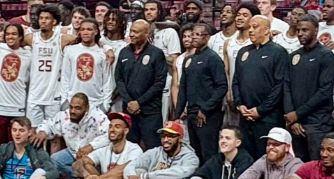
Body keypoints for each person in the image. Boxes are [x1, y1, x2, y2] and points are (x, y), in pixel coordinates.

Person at [232, 15, 290, 157]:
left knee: (268, 157)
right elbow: (236, 81)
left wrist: (261, 110)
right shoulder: (243, 52)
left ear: (266, 30)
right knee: (247, 157)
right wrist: (240, 105)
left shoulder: (278, 52)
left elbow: (279, 85)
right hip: (245, 117)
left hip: (268, 117)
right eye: (250, 27)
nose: (250, 30)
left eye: (255, 27)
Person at [283, 16, 334, 162]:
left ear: (316, 30)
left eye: (305, 30)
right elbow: (286, 86)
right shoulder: (294, 56)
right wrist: (291, 118)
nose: (300, 33)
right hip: (296, 123)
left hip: (317, 123)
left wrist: (297, 114)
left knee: (318, 164)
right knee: (300, 166)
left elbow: (325, 91)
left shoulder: (325, 55)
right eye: (298, 30)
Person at [175, 22, 228, 162]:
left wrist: (205, 109)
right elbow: (183, 89)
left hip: (208, 114)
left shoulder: (213, 58)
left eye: (198, 35)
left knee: (208, 150)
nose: (194, 38)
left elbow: (222, 86)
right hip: (191, 112)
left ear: (207, 37)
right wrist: (176, 114)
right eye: (193, 34)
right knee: (195, 150)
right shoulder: (188, 60)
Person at [115, 20, 168, 149]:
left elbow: (159, 82)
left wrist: (139, 102)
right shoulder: (124, 52)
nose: (131, 34)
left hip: (150, 111)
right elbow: (119, 79)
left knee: (153, 148)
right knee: (129, 148)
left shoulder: (156, 53)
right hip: (128, 110)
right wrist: (129, 102)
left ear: (146, 33)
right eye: (131, 31)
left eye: (136, 32)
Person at [36, 93, 108, 179]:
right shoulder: (65, 116)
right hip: (73, 152)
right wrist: (43, 131)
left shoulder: (99, 117)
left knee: (85, 166)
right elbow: (48, 124)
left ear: (86, 108)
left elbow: (108, 135)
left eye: (77, 108)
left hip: (93, 155)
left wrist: (91, 146)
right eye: (71, 107)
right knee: (55, 159)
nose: (73, 111)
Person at [0, 23, 31, 146]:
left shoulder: (29, 53)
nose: (10, 37)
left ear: (20, 37)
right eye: (7, 34)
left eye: (14, 34)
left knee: (17, 144)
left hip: (18, 107)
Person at [59, 18, 113, 117]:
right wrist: (64, 100)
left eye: (89, 29)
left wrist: (105, 105)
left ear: (96, 31)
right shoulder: (70, 50)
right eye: (82, 29)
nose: (85, 32)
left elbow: (107, 81)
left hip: (96, 102)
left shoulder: (103, 53)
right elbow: (65, 76)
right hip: (72, 102)